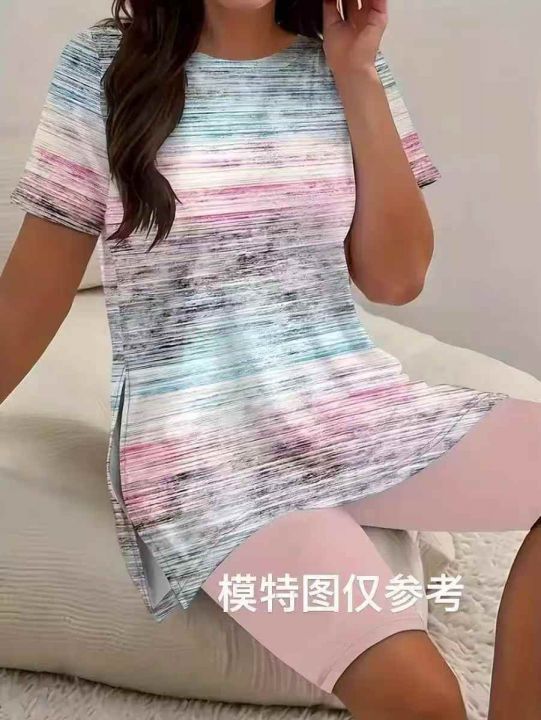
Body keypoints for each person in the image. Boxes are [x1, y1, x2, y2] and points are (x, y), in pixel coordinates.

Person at [1, 0, 540, 717]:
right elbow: (31, 294)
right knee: (422, 699)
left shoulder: (348, 64)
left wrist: (355, 75)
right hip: (203, 454)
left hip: (348, 409)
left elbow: (396, 279)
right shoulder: (104, 66)